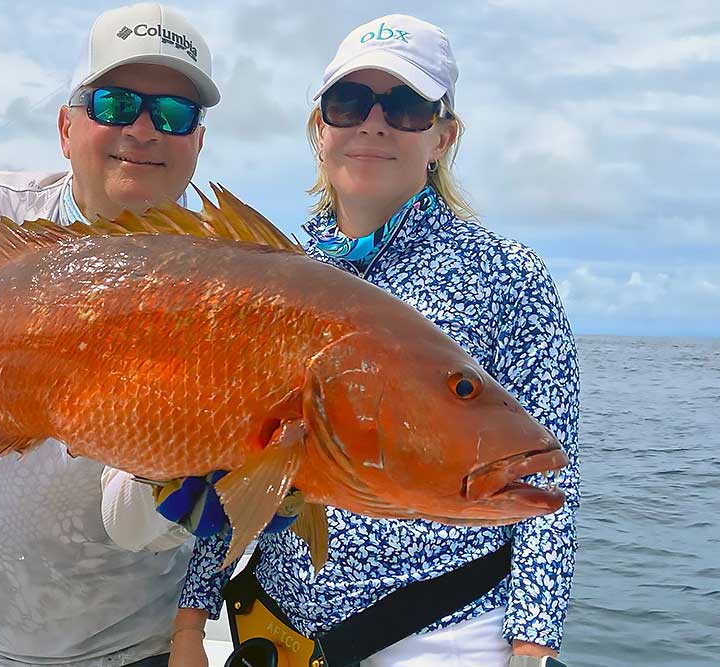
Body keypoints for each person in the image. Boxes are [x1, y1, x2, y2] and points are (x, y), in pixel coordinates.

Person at [167, 14, 580, 667]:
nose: (374, 123)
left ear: (443, 137)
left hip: (443, 638)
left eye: (408, 106)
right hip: (276, 632)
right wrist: (190, 623)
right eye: (349, 102)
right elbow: (223, 461)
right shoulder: (265, 275)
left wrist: (531, 646)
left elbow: (548, 485)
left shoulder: (509, 276)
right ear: (320, 129)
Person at [0, 4, 223, 666]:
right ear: (65, 127)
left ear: (197, 144)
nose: (143, 129)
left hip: (132, 647)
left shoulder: (219, 281)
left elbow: (137, 486)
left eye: (173, 114)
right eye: (115, 103)